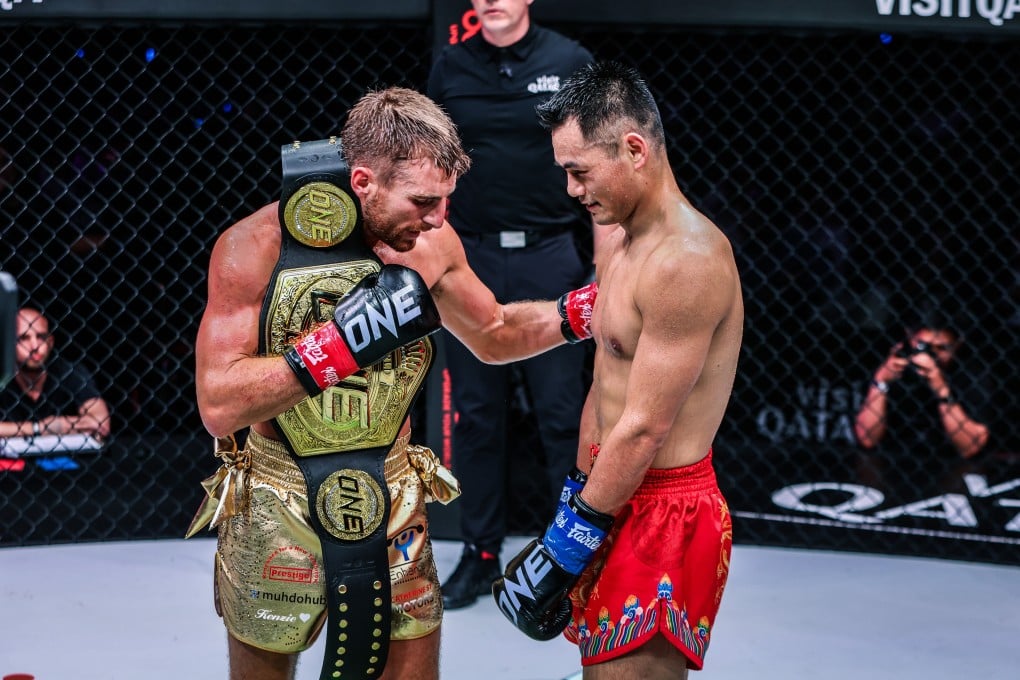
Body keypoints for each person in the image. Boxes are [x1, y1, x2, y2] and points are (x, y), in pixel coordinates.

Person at [187, 86, 598, 680]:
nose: (437, 219)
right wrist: (341, 346)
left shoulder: (430, 245)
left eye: (447, 201)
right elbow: (219, 403)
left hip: (394, 487)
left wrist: (585, 311)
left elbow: (495, 330)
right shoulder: (253, 249)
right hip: (278, 492)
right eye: (423, 201)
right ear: (363, 183)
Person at [492, 61, 743, 678]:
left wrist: (563, 546)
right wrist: (576, 502)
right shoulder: (623, 241)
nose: (572, 191)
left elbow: (642, 428)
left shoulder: (685, 259)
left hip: (659, 511)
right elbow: (607, 378)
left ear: (634, 149)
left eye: (580, 172)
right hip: (602, 495)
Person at [427, 0, 610, 611]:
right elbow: (430, 160)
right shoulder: (452, 64)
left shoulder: (569, 60)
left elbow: (599, 160)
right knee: (477, 416)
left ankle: (567, 555)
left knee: (562, 415)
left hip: (550, 256)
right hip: (471, 260)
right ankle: (479, 555)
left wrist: (604, 255)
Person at [854, 321, 990, 460]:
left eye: (942, 348)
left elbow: (970, 447)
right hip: (890, 458)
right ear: (910, 338)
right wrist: (881, 381)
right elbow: (867, 439)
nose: (932, 355)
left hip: (949, 461)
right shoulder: (892, 364)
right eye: (924, 347)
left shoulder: (971, 373)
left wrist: (942, 390)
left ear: (957, 345)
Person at [0, 306, 111, 443]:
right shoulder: (2, 376)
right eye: (24, 338)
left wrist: (13, 430)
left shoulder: (68, 371)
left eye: (41, 337)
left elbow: (101, 422)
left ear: (50, 342)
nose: (35, 346)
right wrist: (42, 428)